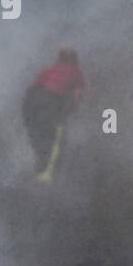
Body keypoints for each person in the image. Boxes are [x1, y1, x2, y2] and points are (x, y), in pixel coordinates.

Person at [23, 48, 84, 184]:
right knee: (57, 140)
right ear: (74, 60)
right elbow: (77, 95)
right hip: (49, 100)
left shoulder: (48, 71)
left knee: (40, 140)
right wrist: (71, 110)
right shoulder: (75, 71)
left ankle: (38, 173)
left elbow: (35, 89)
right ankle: (48, 178)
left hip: (30, 102)